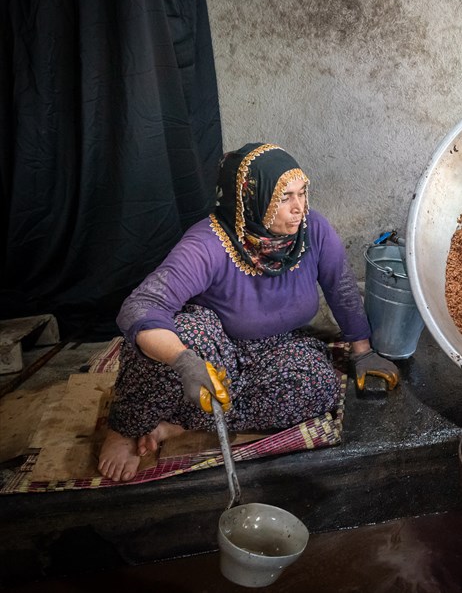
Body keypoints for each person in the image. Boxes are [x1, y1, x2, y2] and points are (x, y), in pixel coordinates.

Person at [98, 142, 399, 482]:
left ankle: (176, 425)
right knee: (180, 337)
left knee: (317, 383)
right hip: (217, 346)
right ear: (248, 200)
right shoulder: (208, 243)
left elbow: (341, 289)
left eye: (302, 193)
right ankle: (124, 428)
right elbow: (141, 307)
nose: (299, 207)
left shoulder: (313, 231)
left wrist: (363, 352)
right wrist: (184, 361)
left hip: (277, 346)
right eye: (284, 197)